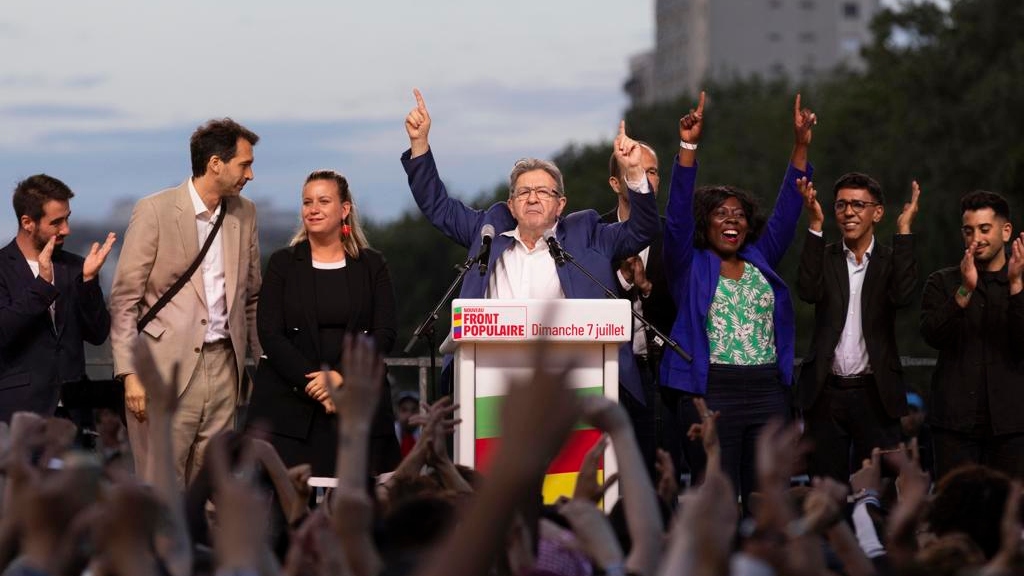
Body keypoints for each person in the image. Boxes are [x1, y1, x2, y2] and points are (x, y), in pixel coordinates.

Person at [401, 89, 658, 405]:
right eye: (523, 193)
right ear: (511, 205)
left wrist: (634, 173)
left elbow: (643, 229)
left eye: (543, 192)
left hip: (576, 381)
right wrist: (420, 144)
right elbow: (437, 206)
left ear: (560, 204)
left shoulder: (588, 233)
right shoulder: (488, 232)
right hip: (490, 382)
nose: (533, 198)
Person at [661, 92, 816, 511]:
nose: (732, 219)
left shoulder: (760, 259)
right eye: (721, 213)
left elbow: (786, 213)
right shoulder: (687, 265)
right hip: (711, 392)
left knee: (769, 499)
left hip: (768, 391)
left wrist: (800, 146)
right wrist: (688, 147)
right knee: (719, 499)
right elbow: (675, 216)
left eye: (740, 214)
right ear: (705, 223)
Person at [108, 118, 263, 485]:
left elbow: (251, 298)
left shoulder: (246, 212)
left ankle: (203, 545)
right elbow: (124, 300)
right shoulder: (155, 211)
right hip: (163, 372)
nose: (251, 175)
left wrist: (263, 366)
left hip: (227, 368)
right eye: (244, 164)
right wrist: (130, 375)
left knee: (212, 486)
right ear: (215, 164)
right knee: (162, 487)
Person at [246, 169, 401, 477]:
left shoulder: (372, 265)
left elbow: (385, 333)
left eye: (323, 201)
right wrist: (316, 386)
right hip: (290, 404)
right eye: (307, 202)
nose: (313, 209)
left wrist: (341, 378)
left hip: (355, 401)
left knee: (356, 515)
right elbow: (270, 333)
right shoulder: (283, 263)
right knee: (285, 515)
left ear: (345, 209)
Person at [795, 173, 920, 483]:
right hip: (826, 392)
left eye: (858, 205)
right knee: (826, 490)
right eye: (841, 205)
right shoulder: (823, 256)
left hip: (876, 394)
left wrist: (904, 231)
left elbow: (904, 297)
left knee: (880, 489)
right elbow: (807, 291)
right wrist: (814, 225)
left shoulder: (891, 260)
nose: (848, 212)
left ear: (877, 212)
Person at [920, 190, 1024, 479]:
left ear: (1006, 232)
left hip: (1013, 425)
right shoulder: (942, 281)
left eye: (984, 229)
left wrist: (1016, 286)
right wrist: (964, 290)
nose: (975, 238)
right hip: (954, 426)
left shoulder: (1022, 281)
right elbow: (931, 335)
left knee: (1012, 515)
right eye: (969, 231)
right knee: (957, 512)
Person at [0, 174, 115, 423]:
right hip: (19, 415)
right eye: (57, 222)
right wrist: (42, 286)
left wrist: (88, 282)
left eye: (67, 218)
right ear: (28, 222)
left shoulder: (76, 267)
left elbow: (97, 334)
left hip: (75, 412)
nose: (66, 229)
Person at [600, 143, 680, 478]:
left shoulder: (673, 234)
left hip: (665, 377)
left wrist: (646, 288)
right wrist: (622, 280)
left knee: (665, 473)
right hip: (611, 374)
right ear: (616, 184)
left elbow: (685, 302)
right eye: (634, 172)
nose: (644, 179)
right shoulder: (595, 234)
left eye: (651, 172)